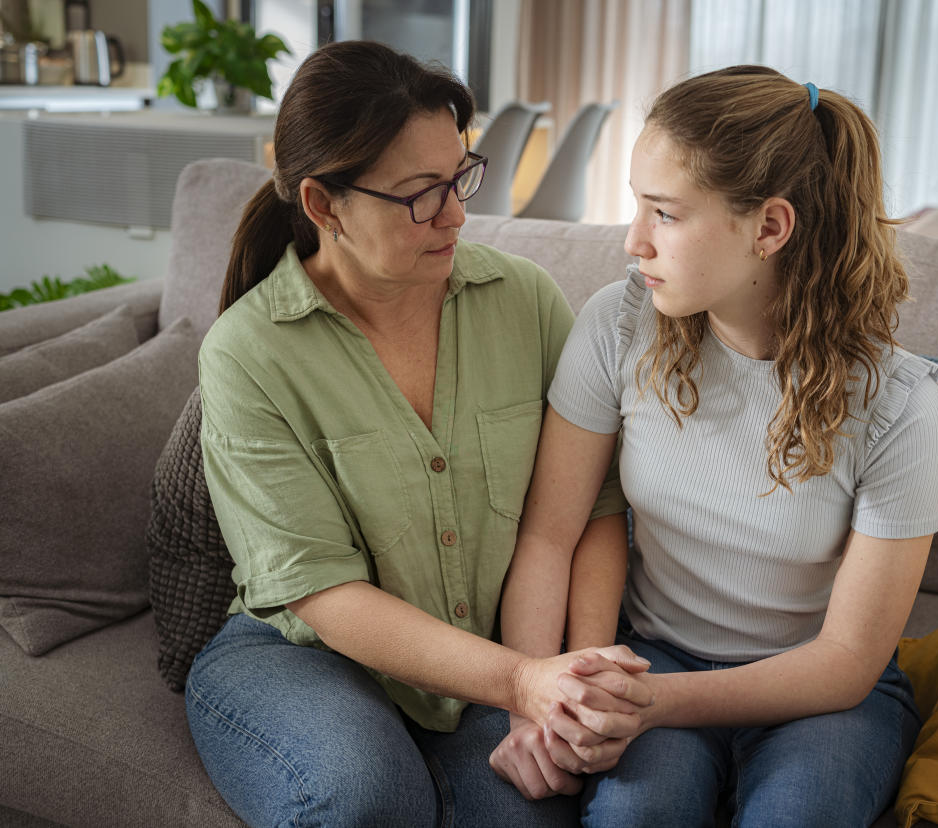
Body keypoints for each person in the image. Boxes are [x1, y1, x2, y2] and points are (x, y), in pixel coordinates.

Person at [185, 41, 651, 828]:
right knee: (365, 798)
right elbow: (324, 594)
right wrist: (521, 683)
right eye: (420, 196)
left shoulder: (525, 301)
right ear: (325, 206)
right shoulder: (248, 354)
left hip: (501, 654)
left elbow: (593, 505)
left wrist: (568, 682)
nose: (459, 215)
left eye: (460, 176)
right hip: (306, 657)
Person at [492, 65, 938, 826]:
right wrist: (535, 703)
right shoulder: (617, 324)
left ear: (769, 228)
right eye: (635, 206)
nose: (633, 241)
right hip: (657, 655)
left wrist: (654, 705)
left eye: (664, 213)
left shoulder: (901, 407)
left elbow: (845, 662)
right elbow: (549, 532)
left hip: (818, 693)